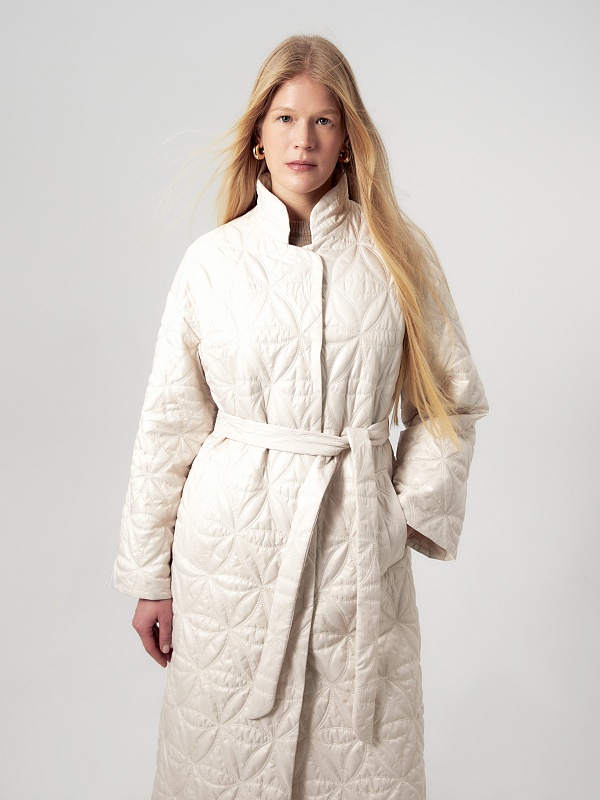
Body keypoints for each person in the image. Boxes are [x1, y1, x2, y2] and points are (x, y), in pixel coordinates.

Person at [112, 34, 488, 800]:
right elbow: (169, 423)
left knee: (358, 764)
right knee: (222, 758)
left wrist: (401, 514)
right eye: (285, 118)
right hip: (230, 552)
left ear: (349, 137)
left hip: (356, 549)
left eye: (323, 120)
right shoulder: (212, 263)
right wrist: (151, 576)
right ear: (259, 133)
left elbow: (450, 397)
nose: (302, 139)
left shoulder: (397, 256)